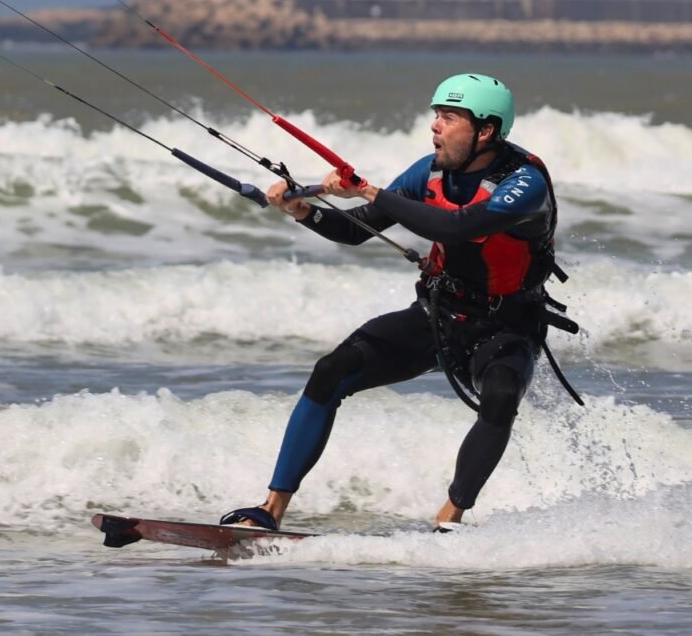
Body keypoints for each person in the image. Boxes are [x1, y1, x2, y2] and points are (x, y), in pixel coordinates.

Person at [221, 73, 561, 532]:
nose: (435, 126)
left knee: (499, 397)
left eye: (449, 117)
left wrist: (368, 190)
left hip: (507, 327)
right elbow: (357, 228)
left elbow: (458, 226)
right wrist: (304, 209)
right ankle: (270, 511)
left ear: (486, 131)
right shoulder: (430, 171)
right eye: (436, 115)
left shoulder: (525, 183)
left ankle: (450, 519)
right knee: (331, 370)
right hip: (439, 315)